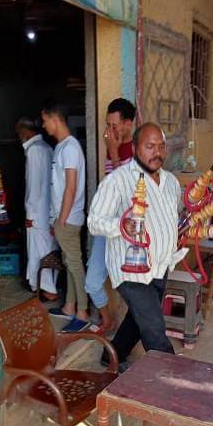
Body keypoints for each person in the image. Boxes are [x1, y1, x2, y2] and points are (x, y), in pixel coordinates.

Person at [88, 122, 187, 371]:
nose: (157, 152)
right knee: (154, 327)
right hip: (130, 269)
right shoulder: (117, 181)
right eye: (149, 146)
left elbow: (172, 215)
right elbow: (94, 222)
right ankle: (170, 378)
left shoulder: (171, 182)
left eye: (161, 146)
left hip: (161, 265)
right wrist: (121, 226)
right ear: (134, 148)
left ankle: (111, 356)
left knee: (138, 316)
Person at [85, 98, 136, 332]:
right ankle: (107, 320)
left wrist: (114, 153)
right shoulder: (112, 148)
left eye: (114, 125)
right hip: (107, 225)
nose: (109, 131)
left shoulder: (137, 150)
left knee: (131, 286)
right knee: (92, 282)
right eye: (107, 125)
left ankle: (134, 331)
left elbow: (127, 195)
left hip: (127, 230)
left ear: (128, 124)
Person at [41, 100, 88, 322]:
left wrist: (62, 219)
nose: (44, 126)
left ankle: (83, 310)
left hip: (68, 218)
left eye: (45, 121)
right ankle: (70, 306)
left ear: (55, 119)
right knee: (69, 263)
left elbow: (71, 187)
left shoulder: (70, 148)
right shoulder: (62, 147)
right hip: (63, 217)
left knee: (74, 264)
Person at [16, 116, 58, 300]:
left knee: (38, 251)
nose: (19, 136)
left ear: (25, 132)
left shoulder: (34, 151)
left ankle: (48, 290)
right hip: (49, 211)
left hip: (37, 212)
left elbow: (34, 185)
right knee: (49, 249)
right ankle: (49, 287)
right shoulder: (47, 148)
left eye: (19, 132)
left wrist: (30, 213)